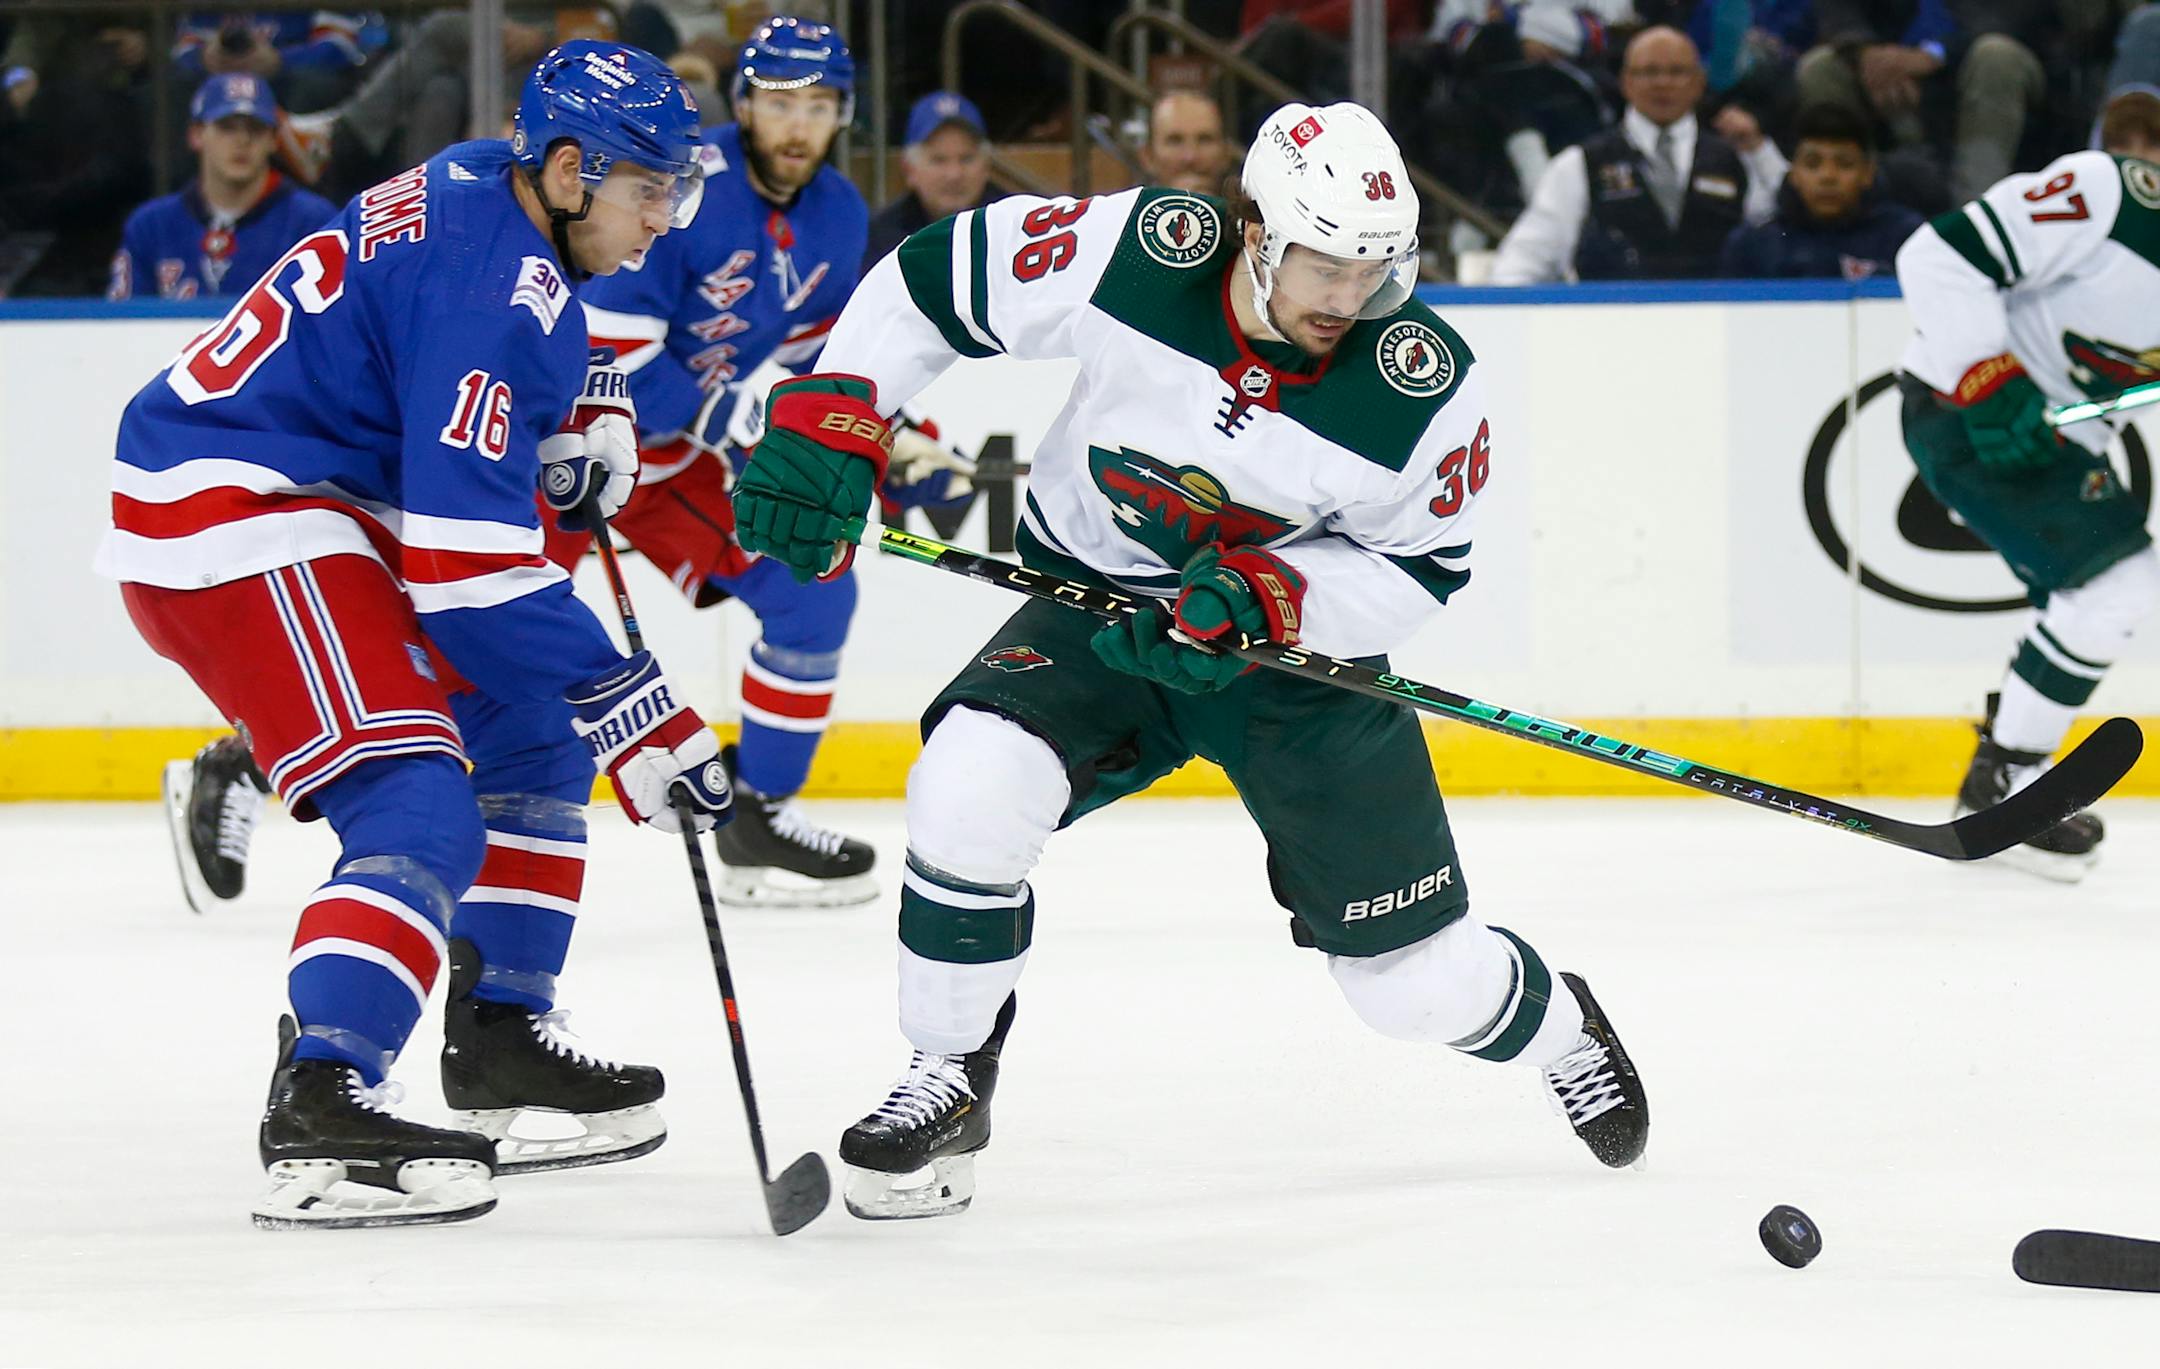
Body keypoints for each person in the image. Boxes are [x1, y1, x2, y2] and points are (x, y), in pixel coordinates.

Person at [732, 100, 1652, 1219]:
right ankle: (948, 1073)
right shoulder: (1139, 251)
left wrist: (1275, 595)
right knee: (969, 782)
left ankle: (1562, 1026)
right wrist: (842, 409)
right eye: (1325, 267)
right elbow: (934, 277)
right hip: (1094, 611)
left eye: (1377, 270)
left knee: (1409, 989)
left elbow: (1420, 568)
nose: (1351, 300)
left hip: (1289, 669)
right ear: (1255, 233)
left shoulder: (1421, 383)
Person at [98, 41, 727, 1229]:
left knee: (531, 724)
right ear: (572, 168)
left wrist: (586, 396)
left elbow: (470, 325)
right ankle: (323, 1097)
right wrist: (635, 700)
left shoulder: (493, 181)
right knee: (421, 805)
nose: (666, 219)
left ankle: (498, 1039)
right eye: (652, 187)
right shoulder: (496, 274)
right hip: (238, 510)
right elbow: (467, 576)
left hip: (318, 495)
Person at [581, 16, 962, 909]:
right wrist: (729, 416)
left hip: (671, 463)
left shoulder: (836, 212)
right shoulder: (677, 186)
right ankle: (263, 757)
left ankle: (757, 815)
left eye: (819, 105)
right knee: (471, 613)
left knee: (811, 587)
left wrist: (889, 431)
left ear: (845, 115)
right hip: (572, 434)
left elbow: (822, 360)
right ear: (745, 103)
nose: (799, 125)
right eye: (781, 102)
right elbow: (611, 355)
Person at [1893, 146, 2160, 882]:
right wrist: (1989, 374)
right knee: (2116, 586)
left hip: (2062, 443)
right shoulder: (2114, 197)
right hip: (1964, 411)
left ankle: (2004, 761)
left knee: (2092, 597)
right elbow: (1937, 254)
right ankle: (2011, 767)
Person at [1492, 25, 1789, 283]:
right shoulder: (1580, 164)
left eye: (1676, 72)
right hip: (1609, 327)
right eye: (1649, 72)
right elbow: (1525, 259)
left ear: (1699, 82)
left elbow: (1788, 219)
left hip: (1720, 324)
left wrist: (1759, 151)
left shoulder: (1737, 158)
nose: (1662, 83)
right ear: (1626, 82)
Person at [108, 74, 337, 301]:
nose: (242, 141)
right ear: (196, 135)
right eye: (227, 128)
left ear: (273, 140)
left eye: (255, 129)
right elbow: (120, 326)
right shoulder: (151, 225)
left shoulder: (314, 222)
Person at [1719, 102, 1921, 278]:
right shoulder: (1752, 245)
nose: (1828, 176)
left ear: (1867, 173)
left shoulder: (1907, 239)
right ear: (1794, 173)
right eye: (1813, 164)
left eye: (1844, 164)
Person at [864, 90, 997, 269]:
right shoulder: (880, 238)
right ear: (909, 170)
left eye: (966, 159)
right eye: (938, 160)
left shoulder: (1013, 223)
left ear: (987, 166)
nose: (954, 174)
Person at [1138, 88, 1231, 197]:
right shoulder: (1120, 212)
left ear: (1226, 154)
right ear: (1148, 156)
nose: (1190, 157)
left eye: (1205, 140)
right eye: (1175, 141)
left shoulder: (1250, 212)